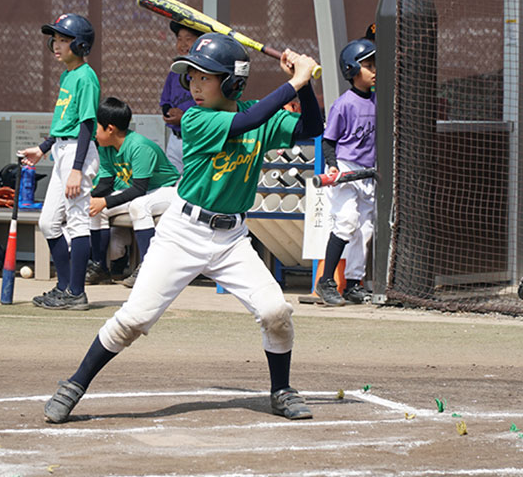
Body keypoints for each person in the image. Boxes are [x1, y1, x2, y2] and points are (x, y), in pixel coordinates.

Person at [42, 33, 323, 424]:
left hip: (232, 239)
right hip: (182, 232)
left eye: (204, 78)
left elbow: (312, 128)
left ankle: (282, 390)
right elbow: (247, 121)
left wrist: (305, 85)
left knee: (276, 311)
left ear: (232, 82)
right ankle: (74, 384)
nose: (192, 85)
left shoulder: (259, 110)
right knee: (134, 319)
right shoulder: (196, 118)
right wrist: (294, 81)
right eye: (191, 77)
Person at [19, 13, 100, 311]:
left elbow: (86, 125)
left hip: (79, 153)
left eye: (64, 39)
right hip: (62, 153)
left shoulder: (86, 77)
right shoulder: (68, 75)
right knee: (48, 222)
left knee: (78, 222)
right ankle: (65, 287)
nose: (56, 44)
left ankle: (76, 292)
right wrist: (43, 148)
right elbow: (64, 123)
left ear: (79, 45)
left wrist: (77, 169)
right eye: (55, 38)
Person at [86, 97, 180, 287]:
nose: (94, 133)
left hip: (169, 190)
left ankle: (147, 268)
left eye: (97, 127)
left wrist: (104, 201)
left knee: (139, 205)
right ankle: (100, 267)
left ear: (110, 129)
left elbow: (139, 189)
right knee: (95, 209)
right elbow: (107, 181)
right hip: (142, 192)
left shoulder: (139, 146)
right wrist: (92, 198)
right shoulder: (106, 146)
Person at [314, 38, 377, 306]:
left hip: (369, 171)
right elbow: (329, 140)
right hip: (347, 169)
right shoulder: (345, 103)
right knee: (347, 221)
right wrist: (332, 166)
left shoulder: (377, 101)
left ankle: (353, 284)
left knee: (365, 228)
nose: (374, 70)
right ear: (352, 69)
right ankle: (326, 280)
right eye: (368, 65)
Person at [159, 21, 203, 173]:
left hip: (196, 138)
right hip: (176, 138)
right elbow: (165, 100)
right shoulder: (175, 71)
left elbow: (210, 111)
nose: (183, 44)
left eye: (188, 38)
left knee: (192, 186)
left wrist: (183, 118)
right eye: (179, 38)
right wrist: (168, 112)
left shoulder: (206, 73)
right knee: (172, 186)